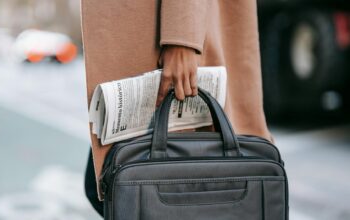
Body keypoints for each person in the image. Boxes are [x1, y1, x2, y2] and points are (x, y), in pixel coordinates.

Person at [81, 0, 274, 215]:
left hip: (167, 35)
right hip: (151, 32)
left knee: (125, 190)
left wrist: (182, 37)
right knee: (112, 186)